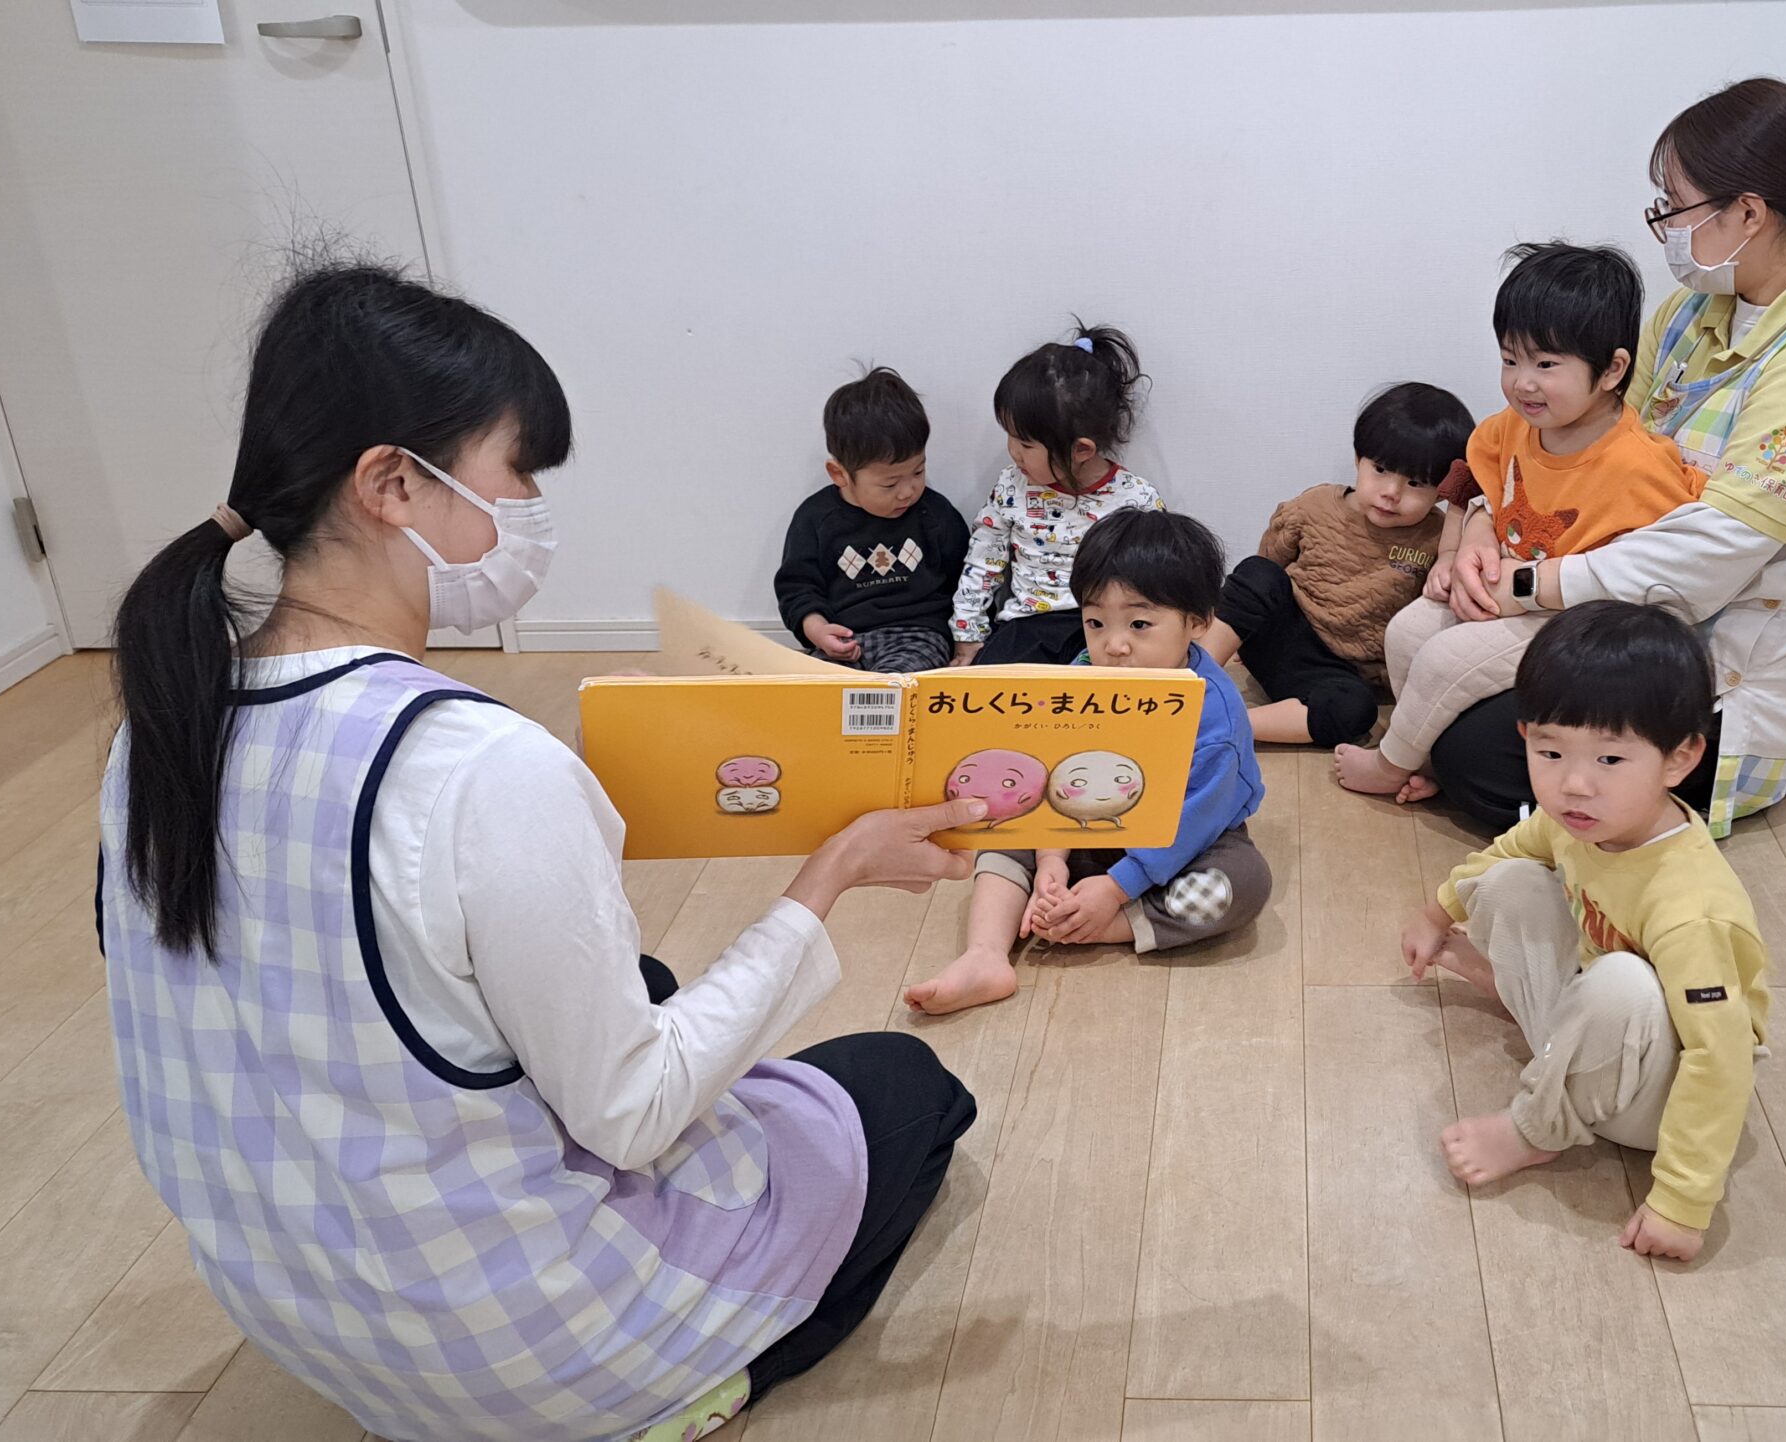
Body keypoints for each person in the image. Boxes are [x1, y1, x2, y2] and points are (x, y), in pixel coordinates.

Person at [100, 262, 981, 1442]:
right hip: (530, 1361)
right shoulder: (476, 765)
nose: (526, 509)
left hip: (309, 1324)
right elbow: (634, 1112)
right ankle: (691, 1386)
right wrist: (831, 874)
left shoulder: (158, 732)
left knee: (641, 985)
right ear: (390, 484)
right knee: (909, 1084)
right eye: (515, 472)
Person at [1418, 78, 1786, 838]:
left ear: (1748, 213)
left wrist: (1524, 584)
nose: (1664, 226)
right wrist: (1487, 528)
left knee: (1476, 752)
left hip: (1709, 675)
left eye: (1674, 205)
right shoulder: (1694, 310)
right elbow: (1573, 439)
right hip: (1614, 614)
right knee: (1432, 646)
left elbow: (1706, 558)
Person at [1400, 602, 1769, 1264]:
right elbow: (1513, 845)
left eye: (1610, 758)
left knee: (1623, 981)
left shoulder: (1692, 907)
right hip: (1600, 1017)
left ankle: (1537, 1127)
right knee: (1511, 879)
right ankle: (1549, 1027)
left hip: (1656, 1098)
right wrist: (1436, 913)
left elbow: (1720, 1059)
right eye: (1549, 751)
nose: (1573, 784)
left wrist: (1682, 1204)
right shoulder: (1579, 819)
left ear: (1680, 759)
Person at [1333, 243, 1702, 801]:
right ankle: (1424, 760)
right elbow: (1474, 488)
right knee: (1407, 631)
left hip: (1573, 620)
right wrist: (1456, 553)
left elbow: (1657, 569)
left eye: (1545, 365)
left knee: (1443, 659)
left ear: (1612, 370)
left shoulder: (1638, 465)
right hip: (1505, 587)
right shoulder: (1514, 426)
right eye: (1510, 360)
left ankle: (1389, 766)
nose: (1522, 383)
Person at [909, 509, 1270, 1015]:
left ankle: (1107, 925)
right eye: (1095, 622)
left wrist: (1116, 890)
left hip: (1181, 845)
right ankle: (985, 954)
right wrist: (1051, 861)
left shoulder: (1216, 718)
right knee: (1004, 833)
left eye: (1139, 624)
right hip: (1083, 824)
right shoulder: (1081, 677)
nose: (1114, 646)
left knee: (1243, 882)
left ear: (1197, 622)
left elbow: (1193, 823)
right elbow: (1052, 776)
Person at [1200, 381, 1468, 746]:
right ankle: (1191, 680)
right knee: (1258, 572)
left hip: (1339, 675)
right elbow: (1265, 569)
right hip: (1282, 639)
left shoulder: (1439, 539)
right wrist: (1243, 628)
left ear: (1442, 491)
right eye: (1381, 469)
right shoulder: (1314, 506)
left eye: (1416, 483)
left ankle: (1223, 724)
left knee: (1354, 712)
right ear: (1359, 459)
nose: (1391, 492)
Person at [948, 323, 1166, 666]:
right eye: (1009, 437)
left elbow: (1162, 574)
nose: (1013, 452)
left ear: (1081, 450)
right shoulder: (1012, 487)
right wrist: (968, 636)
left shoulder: (1135, 500)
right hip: (1025, 625)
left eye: (1025, 444)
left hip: (1101, 627)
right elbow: (983, 562)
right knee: (989, 684)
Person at [775, 366, 970, 672]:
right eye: (889, 484)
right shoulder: (816, 518)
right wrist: (817, 630)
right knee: (813, 687)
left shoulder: (935, 514)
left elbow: (969, 581)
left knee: (894, 686)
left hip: (918, 635)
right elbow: (797, 587)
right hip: (844, 639)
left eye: (918, 471)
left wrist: (966, 637)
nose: (907, 492)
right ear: (840, 474)